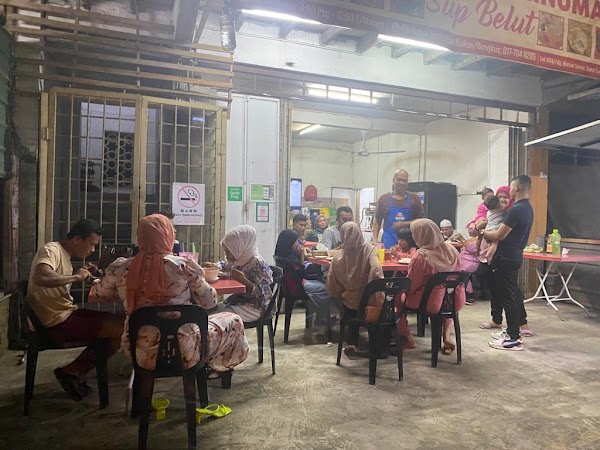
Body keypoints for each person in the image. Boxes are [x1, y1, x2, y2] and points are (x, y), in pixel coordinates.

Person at [89, 214, 249, 372]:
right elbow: (209, 302)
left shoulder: (120, 267)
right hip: (184, 351)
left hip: (138, 352)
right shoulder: (184, 266)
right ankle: (209, 368)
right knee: (233, 320)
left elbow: (98, 294)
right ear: (168, 236)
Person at [27, 219, 123, 402]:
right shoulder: (52, 249)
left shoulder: (66, 257)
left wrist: (80, 273)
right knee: (121, 329)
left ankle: (74, 371)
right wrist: (75, 277)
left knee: (120, 324)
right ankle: (72, 371)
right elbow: (41, 276)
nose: (92, 250)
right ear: (78, 239)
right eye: (91, 244)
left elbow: (58, 279)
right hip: (55, 322)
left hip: (64, 314)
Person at [482, 176, 534, 351]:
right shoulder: (527, 208)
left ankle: (513, 338)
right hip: (513, 256)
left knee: (508, 296)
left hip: (507, 258)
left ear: (517, 187)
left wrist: (482, 232)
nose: (509, 192)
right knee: (509, 294)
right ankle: (511, 331)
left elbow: (499, 235)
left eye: (511, 188)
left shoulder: (516, 210)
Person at [398, 218, 462, 354]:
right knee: (446, 295)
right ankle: (447, 335)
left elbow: (411, 285)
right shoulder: (452, 250)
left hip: (428, 302)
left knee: (396, 298)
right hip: (453, 300)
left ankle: (407, 337)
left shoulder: (421, 256)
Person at [327, 222, 384, 354]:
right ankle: (379, 346)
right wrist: (371, 288)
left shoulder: (337, 258)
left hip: (349, 303)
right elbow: (376, 270)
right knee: (382, 314)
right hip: (370, 302)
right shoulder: (369, 250)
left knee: (348, 309)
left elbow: (332, 286)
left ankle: (351, 342)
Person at [274, 229, 336, 325]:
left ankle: (320, 318)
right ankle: (323, 319)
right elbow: (301, 273)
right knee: (328, 288)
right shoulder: (290, 257)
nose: (298, 244)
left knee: (323, 281)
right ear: (290, 242)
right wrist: (302, 256)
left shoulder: (282, 254)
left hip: (290, 285)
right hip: (298, 286)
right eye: (296, 241)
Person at [218, 225, 273, 322]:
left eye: (228, 251)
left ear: (240, 248)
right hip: (239, 301)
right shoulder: (240, 259)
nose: (226, 255)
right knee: (210, 311)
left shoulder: (258, 264)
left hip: (256, 307)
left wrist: (244, 280)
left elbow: (264, 294)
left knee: (218, 318)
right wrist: (215, 266)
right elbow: (225, 265)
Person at [373, 170, 424, 249]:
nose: (401, 183)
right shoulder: (384, 199)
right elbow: (377, 221)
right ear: (393, 180)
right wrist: (375, 239)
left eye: (404, 180)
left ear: (407, 183)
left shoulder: (414, 199)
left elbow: (421, 221)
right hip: (388, 244)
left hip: (408, 247)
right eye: (399, 179)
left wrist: (404, 224)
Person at [476, 195, 505, 261]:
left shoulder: (488, 213)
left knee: (479, 238)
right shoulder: (502, 211)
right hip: (494, 230)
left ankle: (477, 250)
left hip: (487, 228)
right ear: (498, 203)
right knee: (495, 243)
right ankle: (489, 254)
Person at [459, 237, 480, 305]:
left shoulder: (481, 239)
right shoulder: (471, 239)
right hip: (462, 261)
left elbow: (473, 250)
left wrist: (462, 240)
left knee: (463, 273)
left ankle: (469, 294)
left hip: (472, 262)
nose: (469, 231)